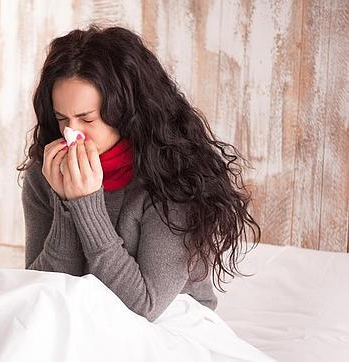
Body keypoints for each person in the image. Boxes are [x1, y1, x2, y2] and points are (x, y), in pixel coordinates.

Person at [16, 25, 261, 322]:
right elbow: (40, 293)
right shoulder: (46, 174)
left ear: (125, 113)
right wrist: (66, 205)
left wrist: (85, 204)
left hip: (170, 322)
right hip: (77, 319)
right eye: (61, 119)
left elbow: (144, 307)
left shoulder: (174, 179)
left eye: (87, 119)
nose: (71, 134)